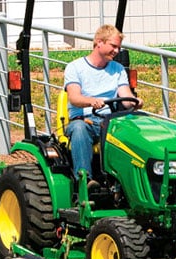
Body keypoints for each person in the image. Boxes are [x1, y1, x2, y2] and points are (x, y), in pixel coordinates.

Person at [64, 24, 143, 188]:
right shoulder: (75, 67)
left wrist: (135, 102)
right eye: (113, 46)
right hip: (85, 120)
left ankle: (132, 183)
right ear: (99, 42)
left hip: (109, 121)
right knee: (79, 129)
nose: (116, 51)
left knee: (136, 128)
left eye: (118, 47)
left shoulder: (118, 69)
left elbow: (126, 97)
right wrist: (91, 101)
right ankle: (84, 181)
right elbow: (74, 98)